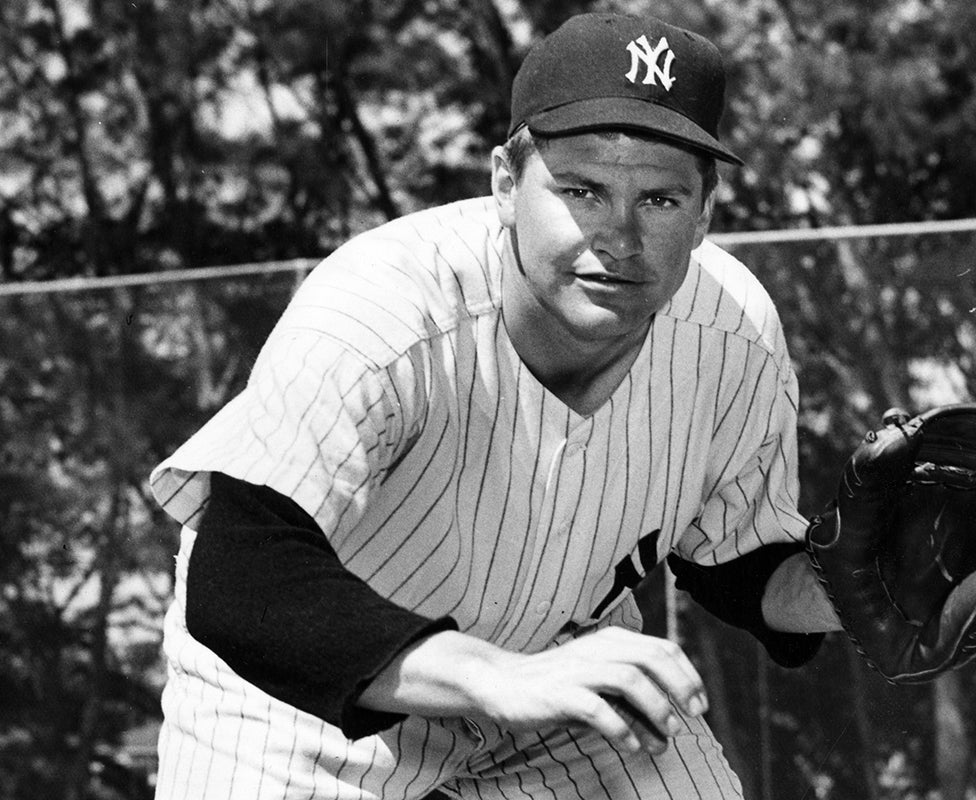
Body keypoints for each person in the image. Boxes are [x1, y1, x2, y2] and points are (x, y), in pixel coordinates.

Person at [149, 11, 840, 799]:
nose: (617, 237)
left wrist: (858, 588)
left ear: (706, 212)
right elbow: (242, 575)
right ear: (506, 186)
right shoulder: (384, 308)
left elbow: (737, 563)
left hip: (560, 681)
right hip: (301, 708)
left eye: (659, 199)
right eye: (581, 189)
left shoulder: (733, 333)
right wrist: (490, 676)